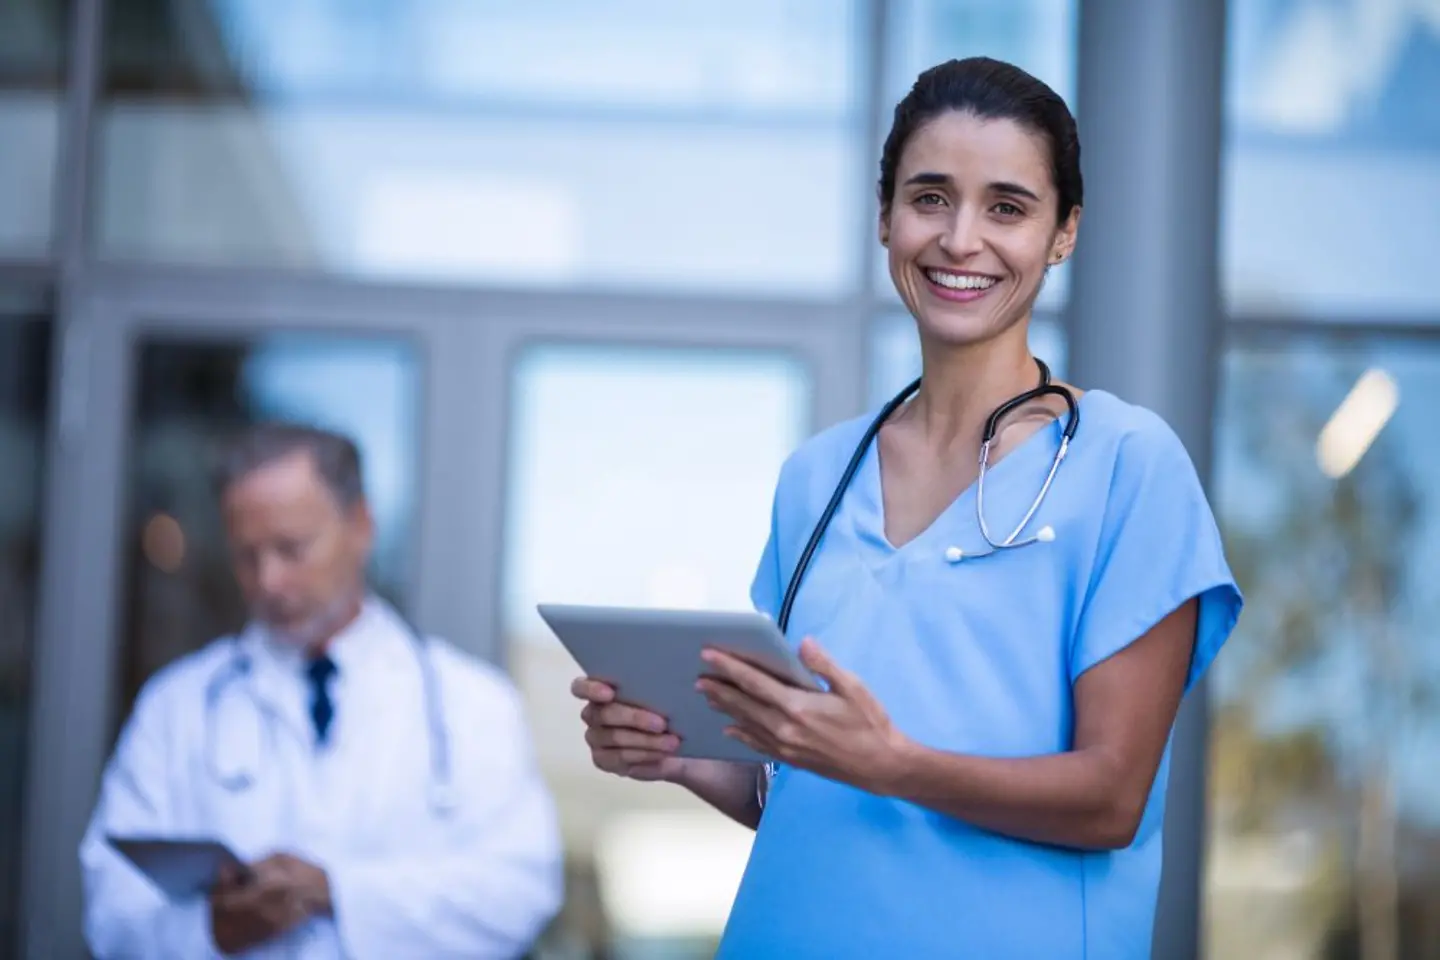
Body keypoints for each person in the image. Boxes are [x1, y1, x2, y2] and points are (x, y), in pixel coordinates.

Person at [571, 56, 1243, 958]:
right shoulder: (818, 476)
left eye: (1007, 208)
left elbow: (1111, 798)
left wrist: (893, 765)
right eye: (930, 198)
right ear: (885, 217)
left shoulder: (1127, 466)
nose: (961, 239)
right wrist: (682, 757)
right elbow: (795, 779)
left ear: (1064, 233)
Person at [80, 423, 563, 959]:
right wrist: (210, 933)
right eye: (246, 555)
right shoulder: (176, 707)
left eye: (292, 549)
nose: (269, 581)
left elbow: (520, 895)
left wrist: (337, 891)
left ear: (361, 526)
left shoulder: (471, 703)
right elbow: (111, 911)